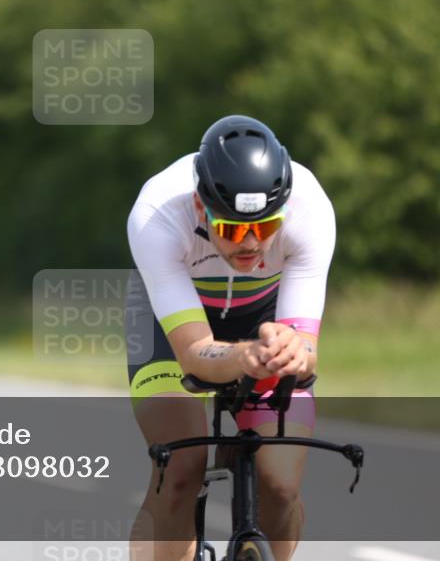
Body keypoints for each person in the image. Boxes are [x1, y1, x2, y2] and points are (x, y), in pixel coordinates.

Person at [126, 115, 335, 561]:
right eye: (233, 229)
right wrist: (245, 357)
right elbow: (195, 355)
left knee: (279, 484)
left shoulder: (311, 209)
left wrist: (296, 353)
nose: (251, 244)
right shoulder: (157, 214)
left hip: (262, 314)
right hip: (173, 323)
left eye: (265, 227)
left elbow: (308, 350)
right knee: (179, 470)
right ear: (202, 210)